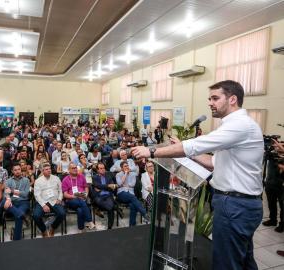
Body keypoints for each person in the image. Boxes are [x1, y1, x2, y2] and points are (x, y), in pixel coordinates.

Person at [132, 80, 264, 270]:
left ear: (233, 99)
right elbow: (213, 163)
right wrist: (185, 148)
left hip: (235, 206)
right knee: (244, 261)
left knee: (227, 264)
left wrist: (151, 151)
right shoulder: (235, 126)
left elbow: (196, 145)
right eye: (209, 98)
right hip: (237, 204)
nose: (210, 102)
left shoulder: (240, 125)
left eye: (215, 98)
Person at [33, 163, 65, 237]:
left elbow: (60, 190)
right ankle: (43, 230)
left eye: (49, 169)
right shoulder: (38, 181)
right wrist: (43, 205)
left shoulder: (56, 178)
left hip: (55, 201)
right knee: (36, 215)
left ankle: (53, 227)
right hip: (43, 201)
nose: (49, 170)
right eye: (46, 169)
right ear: (42, 171)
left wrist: (59, 199)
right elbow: (37, 195)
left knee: (62, 213)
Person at [0, 164, 30, 240]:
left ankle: (16, 239)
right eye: (15, 170)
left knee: (18, 216)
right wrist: (8, 199)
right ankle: (23, 216)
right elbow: (6, 193)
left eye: (19, 169)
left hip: (23, 202)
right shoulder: (8, 181)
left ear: (21, 170)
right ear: (12, 171)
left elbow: (25, 194)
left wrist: (12, 191)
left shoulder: (26, 180)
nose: (17, 171)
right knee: (4, 202)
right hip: (11, 202)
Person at [62, 163, 95, 233]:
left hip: (82, 197)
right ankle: (89, 221)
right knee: (81, 201)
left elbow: (86, 187)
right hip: (71, 200)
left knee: (80, 210)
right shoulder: (65, 179)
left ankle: (81, 229)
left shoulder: (82, 176)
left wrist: (86, 194)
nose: (75, 169)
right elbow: (65, 194)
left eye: (75, 168)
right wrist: (73, 196)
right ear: (69, 170)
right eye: (73, 168)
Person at [116, 161, 149, 226]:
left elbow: (133, 184)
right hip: (121, 194)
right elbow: (119, 184)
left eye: (127, 165)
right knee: (133, 197)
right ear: (122, 168)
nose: (127, 167)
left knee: (133, 205)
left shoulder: (133, 174)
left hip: (131, 194)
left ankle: (132, 225)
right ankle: (144, 213)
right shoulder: (118, 174)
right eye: (125, 166)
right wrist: (125, 174)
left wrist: (124, 184)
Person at [92, 163, 117, 229]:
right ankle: (116, 207)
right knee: (111, 207)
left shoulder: (108, 176)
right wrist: (107, 186)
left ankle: (109, 227)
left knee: (110, 208)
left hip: (108, 195)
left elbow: (112, 186)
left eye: (103, 168)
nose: (103, 170)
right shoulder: (95, 177)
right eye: (101, 168)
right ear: (97, 170)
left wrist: (103, 187)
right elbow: (97, 185)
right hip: (99, 196)